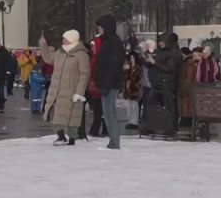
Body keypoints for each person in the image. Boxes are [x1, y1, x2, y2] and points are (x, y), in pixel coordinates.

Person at [39, 31, 90, 145]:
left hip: (71, 91)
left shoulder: (81, 55)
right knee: (52, 114)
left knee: (72, 117)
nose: (62, 40)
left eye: (65, 38)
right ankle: (61, 136)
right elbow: (48, 58)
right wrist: (43, 46)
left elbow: (84, 74)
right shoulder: (60, 52)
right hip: (56, 90)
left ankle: (72, 139)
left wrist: (79, 92)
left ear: (72, 39)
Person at [92, 15, 126, 150]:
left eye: (100, 27)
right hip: (108, 83)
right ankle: (113, 140)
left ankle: (114, 141)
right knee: (107, 113)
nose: (99, 30)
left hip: (110, 84)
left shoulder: (112, 43)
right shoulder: (110, 41)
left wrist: (105, 83)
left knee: (109, 113)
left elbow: (113, 66)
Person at [142, 33, 182, 138]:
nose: (160, 43)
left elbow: (169, 68)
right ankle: (150, 126)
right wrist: (147, 59)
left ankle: (171, 128)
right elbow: (151, 64)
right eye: (159, 42)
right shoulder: (159, 52)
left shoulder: (175, 53)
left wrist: (154, 62)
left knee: (169, 106)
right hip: (157, 83)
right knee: (150, 105)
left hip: (168, 84)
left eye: (163, 41)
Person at [123, 49, 144, 130]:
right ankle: (130, 121)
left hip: (135, 88)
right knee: (128, 106)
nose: (131, 59)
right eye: (130, 57)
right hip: (128, 88)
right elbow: (124, 76)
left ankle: (134, 122)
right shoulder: (127, 65)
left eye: (133, 57)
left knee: (134, 106)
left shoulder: (138, 67)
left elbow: (137, 77)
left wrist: (128, 75)